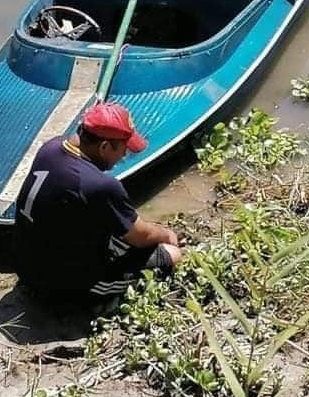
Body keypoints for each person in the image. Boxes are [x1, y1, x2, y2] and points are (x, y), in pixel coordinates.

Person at [12, 101, 183, 303]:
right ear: (104, 147)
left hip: (25, 264)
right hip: (59, 286)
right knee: (173, 255)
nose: (124, 155)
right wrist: (167, 234)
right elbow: (140, 237)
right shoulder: (99, 185)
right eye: (122, 148)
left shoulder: (50, 148)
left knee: (121, 231)